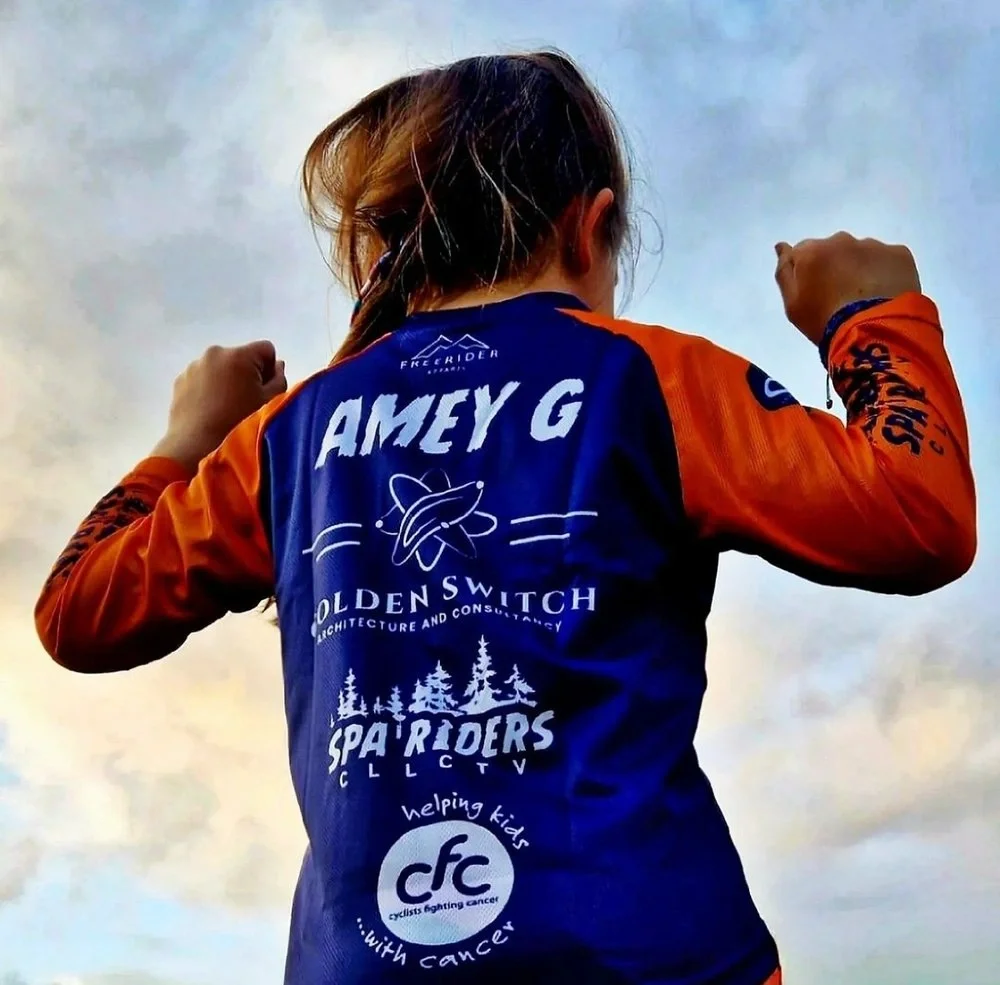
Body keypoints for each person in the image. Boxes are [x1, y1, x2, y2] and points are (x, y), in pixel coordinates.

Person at [35, 50, 976, 985]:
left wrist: (185, 441)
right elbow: (916, 511)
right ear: (591, 225)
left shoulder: (286, 436)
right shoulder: (648, 377)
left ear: (380, 256)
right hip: (657, 959)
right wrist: (869, 314)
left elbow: (77, 609)